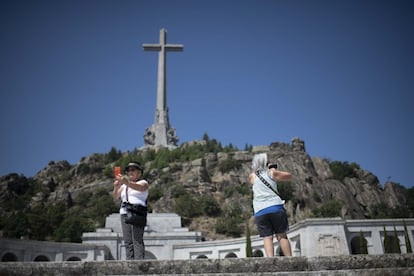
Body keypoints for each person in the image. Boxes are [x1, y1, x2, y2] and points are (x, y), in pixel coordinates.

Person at [248, 153, 292, 257]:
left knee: (267, 237)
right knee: (281, 235)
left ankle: (270, 261)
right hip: (275, 207)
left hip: (260, 211)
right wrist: (273, 169)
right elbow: (289, 176)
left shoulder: (252, 176)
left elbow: (255, 177)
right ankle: (290, 259)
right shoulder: (271, 173)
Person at [112, 161, 148, 260]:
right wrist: (116, 186)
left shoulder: (143, 182)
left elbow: (141, 188)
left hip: (137, 212)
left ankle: (139, 263)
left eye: (133, 170)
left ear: (139, 172)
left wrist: (127, 182)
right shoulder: (124, 186)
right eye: (128, 170)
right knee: (128, 241)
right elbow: (115, 197)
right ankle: (130, 263)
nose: (130, 172)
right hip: (124, 213)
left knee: (137, 239)